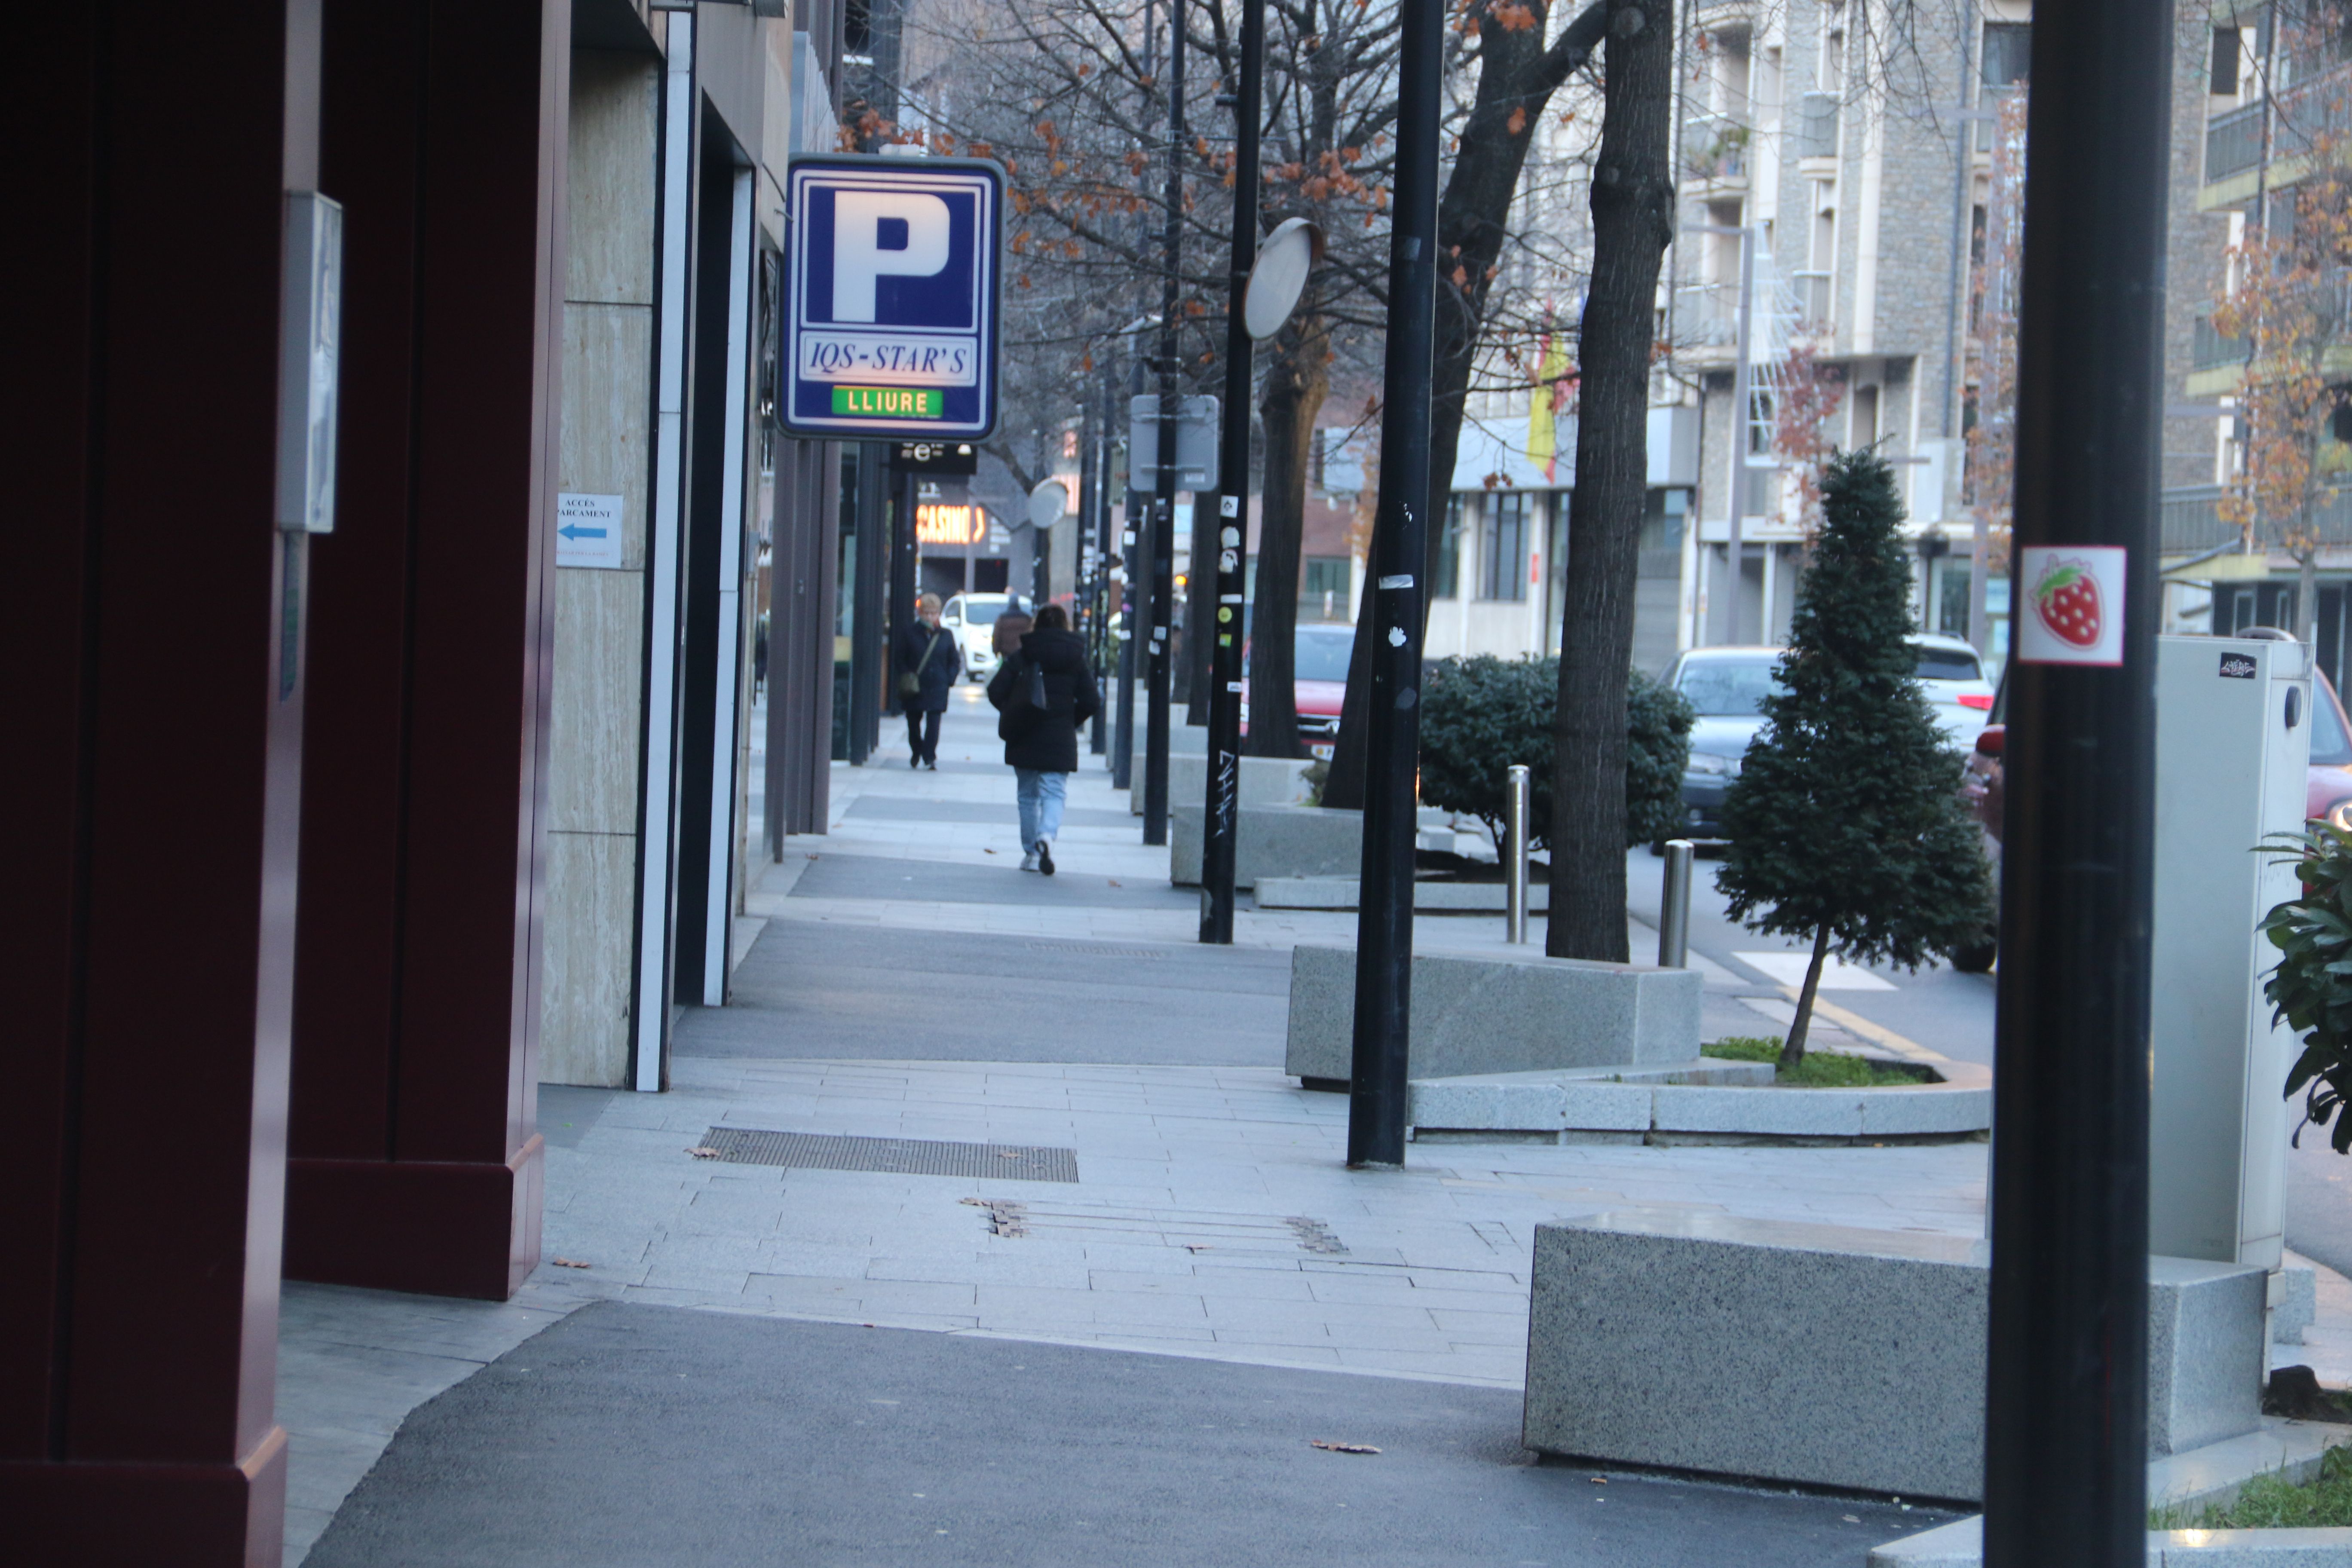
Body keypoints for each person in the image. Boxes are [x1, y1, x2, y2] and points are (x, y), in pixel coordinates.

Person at [987, 603, 1098, 875]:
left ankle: (1031, 854)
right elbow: (1092, 700)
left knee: (1027, 795)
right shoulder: (1076, 658)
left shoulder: (1023, 655)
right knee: (1055, 792)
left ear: (1036, 625)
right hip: (1059, 737)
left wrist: (1014, 711)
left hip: (1024, 733)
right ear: (1066, 626)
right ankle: (1047, 835)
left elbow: (994, 690)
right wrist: (1070, 721)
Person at [894, 593, 956, 769]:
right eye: (926, 613)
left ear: (939, 614)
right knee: (913, 723)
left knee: (934, 724)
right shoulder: (909, 633)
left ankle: (929, 757)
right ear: (920, 613)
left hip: (938, 686)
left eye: (934, 613)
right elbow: (900, 658)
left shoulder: (946, 635)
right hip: (915, 686)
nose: (930, 617)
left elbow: (954, 660)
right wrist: (907, 674)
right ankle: (917, 750)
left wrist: (949, 679)